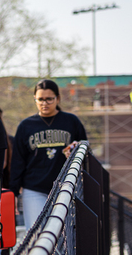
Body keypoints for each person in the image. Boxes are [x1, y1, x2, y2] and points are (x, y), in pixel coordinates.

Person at [10, 79, 87, 229]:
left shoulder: (71, 121)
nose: (44, 103)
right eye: (40, 99)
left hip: (66, 186)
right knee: (36, 233)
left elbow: (85, 150)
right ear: (35, 100)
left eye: (49, 99)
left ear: (57, 99)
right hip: (34, 188)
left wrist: (76, 148)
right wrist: (13, 192)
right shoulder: (26, 125)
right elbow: (18, 161)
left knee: (65, 234)